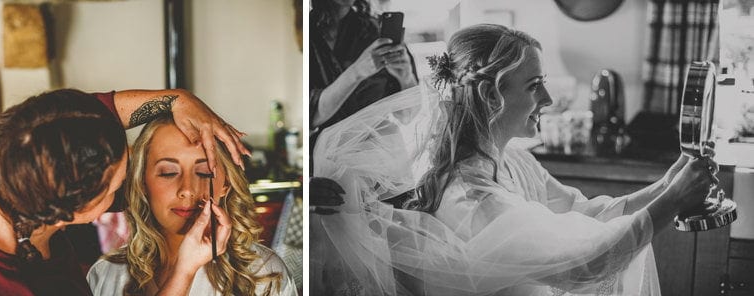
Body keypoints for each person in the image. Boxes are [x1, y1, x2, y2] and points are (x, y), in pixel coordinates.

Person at [310, 24, 716, 295]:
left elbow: (590, 212)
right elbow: (584, 267)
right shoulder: (471, 199)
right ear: (491, 96)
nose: (549, 100)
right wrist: (673, 202)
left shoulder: (514, 162)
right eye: (535, 85)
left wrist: (669, 183)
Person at [0, 88, 249, 295]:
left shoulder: (7, 162)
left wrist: (179, 99)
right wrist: (184, 269)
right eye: (116, 187)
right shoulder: (2, 287)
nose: (137, 185)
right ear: (76, 211)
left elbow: (83, 117)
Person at [86, 115, 297, 295]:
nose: (187, 189)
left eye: (204, 172)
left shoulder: (263, 273)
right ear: (142, 183)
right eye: (168, 172)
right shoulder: (105, 274)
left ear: (226, 184)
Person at [309, 0, 418, 209]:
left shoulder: (375, 29)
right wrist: (358, 71)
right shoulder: (309, 32)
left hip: (384, 159)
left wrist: (405, 76)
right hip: (332, 166)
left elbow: (408, 114)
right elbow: (312, 115)